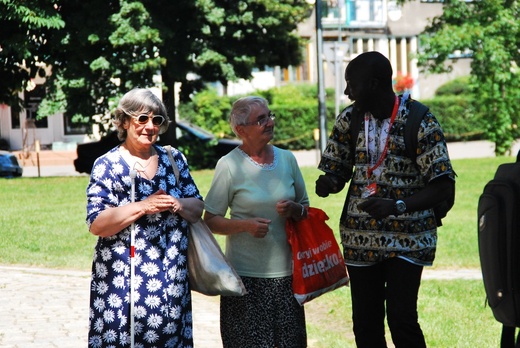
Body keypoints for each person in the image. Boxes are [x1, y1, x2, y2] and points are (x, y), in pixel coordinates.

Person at [315, 51, 456, 348]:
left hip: (408, 238)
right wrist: (328, 182)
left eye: (351, 84)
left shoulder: (419, 120)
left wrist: (397, 207)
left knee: (402, 319)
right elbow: (336, 171)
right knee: (365, 324)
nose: (346, 92)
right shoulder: (349, 119)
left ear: (375, 83)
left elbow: (443, 185)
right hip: (360, 240)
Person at [85, 88, 204, 347]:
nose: (150, 127)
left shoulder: (174, 159)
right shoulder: (108, 165)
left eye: (157, 120)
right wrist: (144, 206)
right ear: (124, 122)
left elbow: (197, 208)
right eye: (142, 119)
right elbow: (97, 224)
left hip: (172, 281)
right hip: (122, 284)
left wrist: (177, 203)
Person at [203, 96, 310, 348]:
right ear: (241, 129)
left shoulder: (287, 159)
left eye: (269, 116)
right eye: (261, 119)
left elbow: (306, 208)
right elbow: (210, 220)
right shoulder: (228, 165)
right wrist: (244, 226)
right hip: (245, 281)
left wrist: (295, 209)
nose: (269, 122)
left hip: (287, 278)